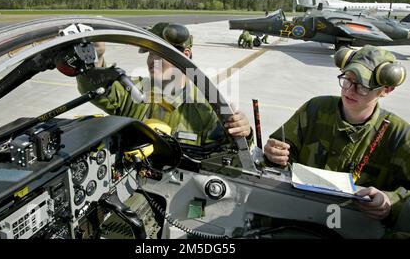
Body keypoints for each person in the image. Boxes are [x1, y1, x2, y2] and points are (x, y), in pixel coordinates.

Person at [263, 45, 409, 225]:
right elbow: (278, 155)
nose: (349, 91)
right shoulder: (315, 109)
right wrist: (273, 154)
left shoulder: (399, 135)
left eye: (362, 86)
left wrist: (390, 202)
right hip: (297, 215)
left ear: (386, 90)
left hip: (356, 226)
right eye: (347, 80)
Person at [77, 22, 252, 148]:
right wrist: (95, 58)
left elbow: (228, 154)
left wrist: (244, 131)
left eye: (159, 54)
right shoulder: (135, 90)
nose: (152, 60)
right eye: (149, 54)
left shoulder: (207, 106)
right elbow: (97, 89)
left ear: (185, 55)